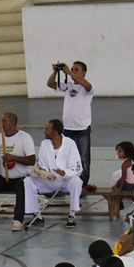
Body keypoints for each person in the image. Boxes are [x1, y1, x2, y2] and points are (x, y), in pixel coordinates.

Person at [0, 112, 36, 231]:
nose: (1, 124)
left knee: (23, 184)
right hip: (4, 179)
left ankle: (18, 220)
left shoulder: (24, 137)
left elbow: (32, 160)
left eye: (4, 121)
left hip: (20, 178)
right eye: (1, 121)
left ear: (13, 123)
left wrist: (13, 157)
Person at [23, 119, 83, 228]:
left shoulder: (70, 144)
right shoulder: (44, 144)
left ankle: (72, 214)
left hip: (65, 181)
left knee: (76, 181)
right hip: (49, 181)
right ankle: (37, 216)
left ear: (54, 132)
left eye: (47, 129)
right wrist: (43, 170)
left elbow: (78, 169)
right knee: (28, 181)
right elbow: (41, 162)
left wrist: (64, 172)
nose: (44, 131)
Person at [47, 61, 94, 190]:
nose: (73, 71)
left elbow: (88, 85)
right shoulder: (68, 85)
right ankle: (65, 182)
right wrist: (55, 72)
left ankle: (82, 184)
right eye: (72, 69)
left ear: (84, 72)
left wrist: (68, 72)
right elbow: (50, 84)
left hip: (82, 129)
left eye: (76, 69)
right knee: (65, 157)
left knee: (83, 159)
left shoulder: (87, 88)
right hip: (68, 129)